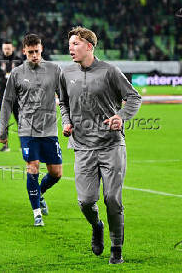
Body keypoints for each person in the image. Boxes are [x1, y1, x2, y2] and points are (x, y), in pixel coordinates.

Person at [59, 27, 141, 264]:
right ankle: (97, 226)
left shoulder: (109, 71)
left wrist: (121, 116)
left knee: (112, 199)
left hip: (111, 146)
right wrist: (66, 122)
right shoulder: (66, 74)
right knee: (85, 201)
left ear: (89, 46)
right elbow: (63, 103)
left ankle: (117, 249)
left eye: (75, 44)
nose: (70, 48)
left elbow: (134, 97)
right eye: (70, 43)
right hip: (82, 147)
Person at [0, 34, 62, 226]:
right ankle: (36, 213)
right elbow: (7, 101)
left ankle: (39, 193)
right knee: (33, 166)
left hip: (50, 129)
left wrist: (69, 121)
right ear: (24, 51)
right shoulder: (17, 73)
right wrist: (3, 130)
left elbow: (65, 99)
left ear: (41, 49)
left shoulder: (54, 69)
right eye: (30, 52)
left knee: (56, 173)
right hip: (27, 129)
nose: (34, 55)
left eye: (37, 51)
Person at [0, 41, 22, 152]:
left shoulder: (19, 61)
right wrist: (4, 79)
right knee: (4, 122)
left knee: (20, 121)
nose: (6, 50)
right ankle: (5, 145)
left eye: (8, 48)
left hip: (17, 97)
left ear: (12, 48)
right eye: (5, 48)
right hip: (4, 96)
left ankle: (22, 144)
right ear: (2, 48)